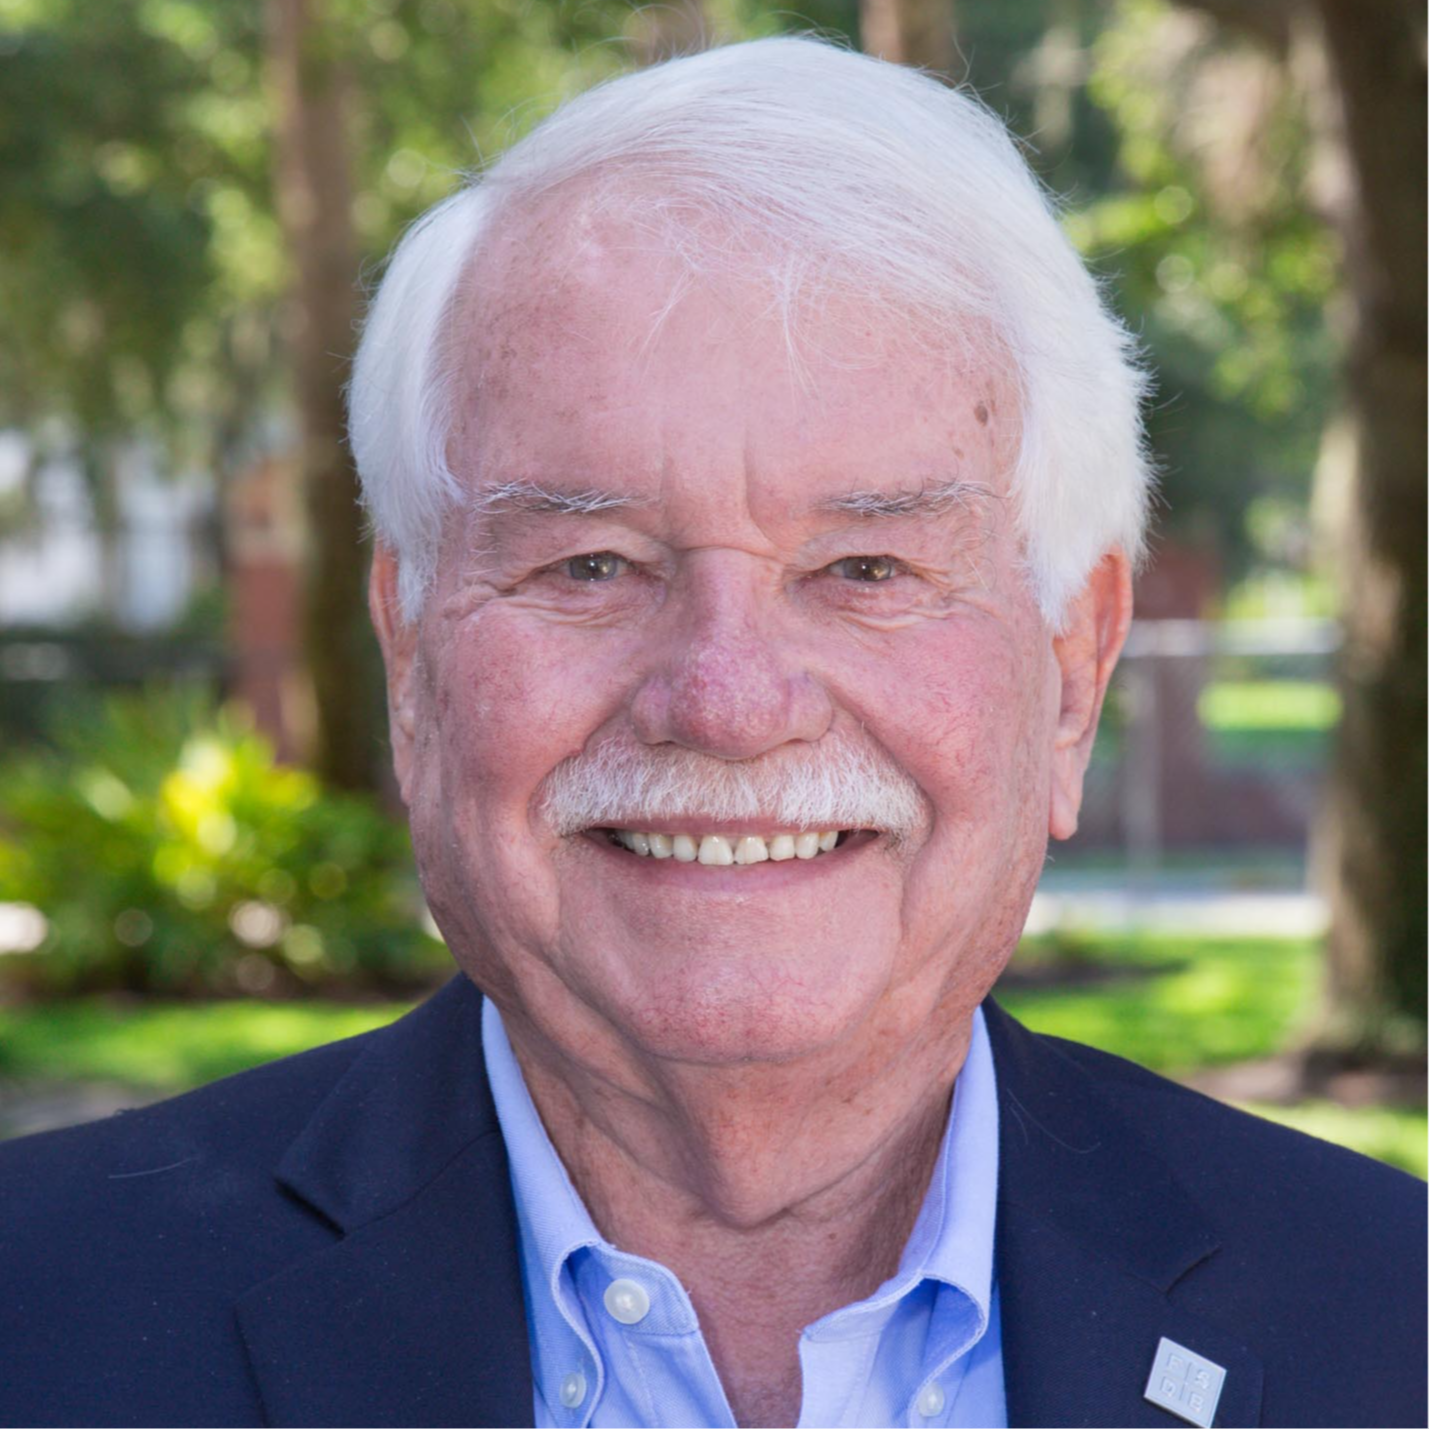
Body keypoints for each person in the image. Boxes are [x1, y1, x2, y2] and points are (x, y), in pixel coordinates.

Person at [1, 37, 1422, 1429]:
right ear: (413, 655)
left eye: (866, 571)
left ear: (1072, 670)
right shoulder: (40, 1318)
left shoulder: (1390, 1320)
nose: (728, 702)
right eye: (591, 566)